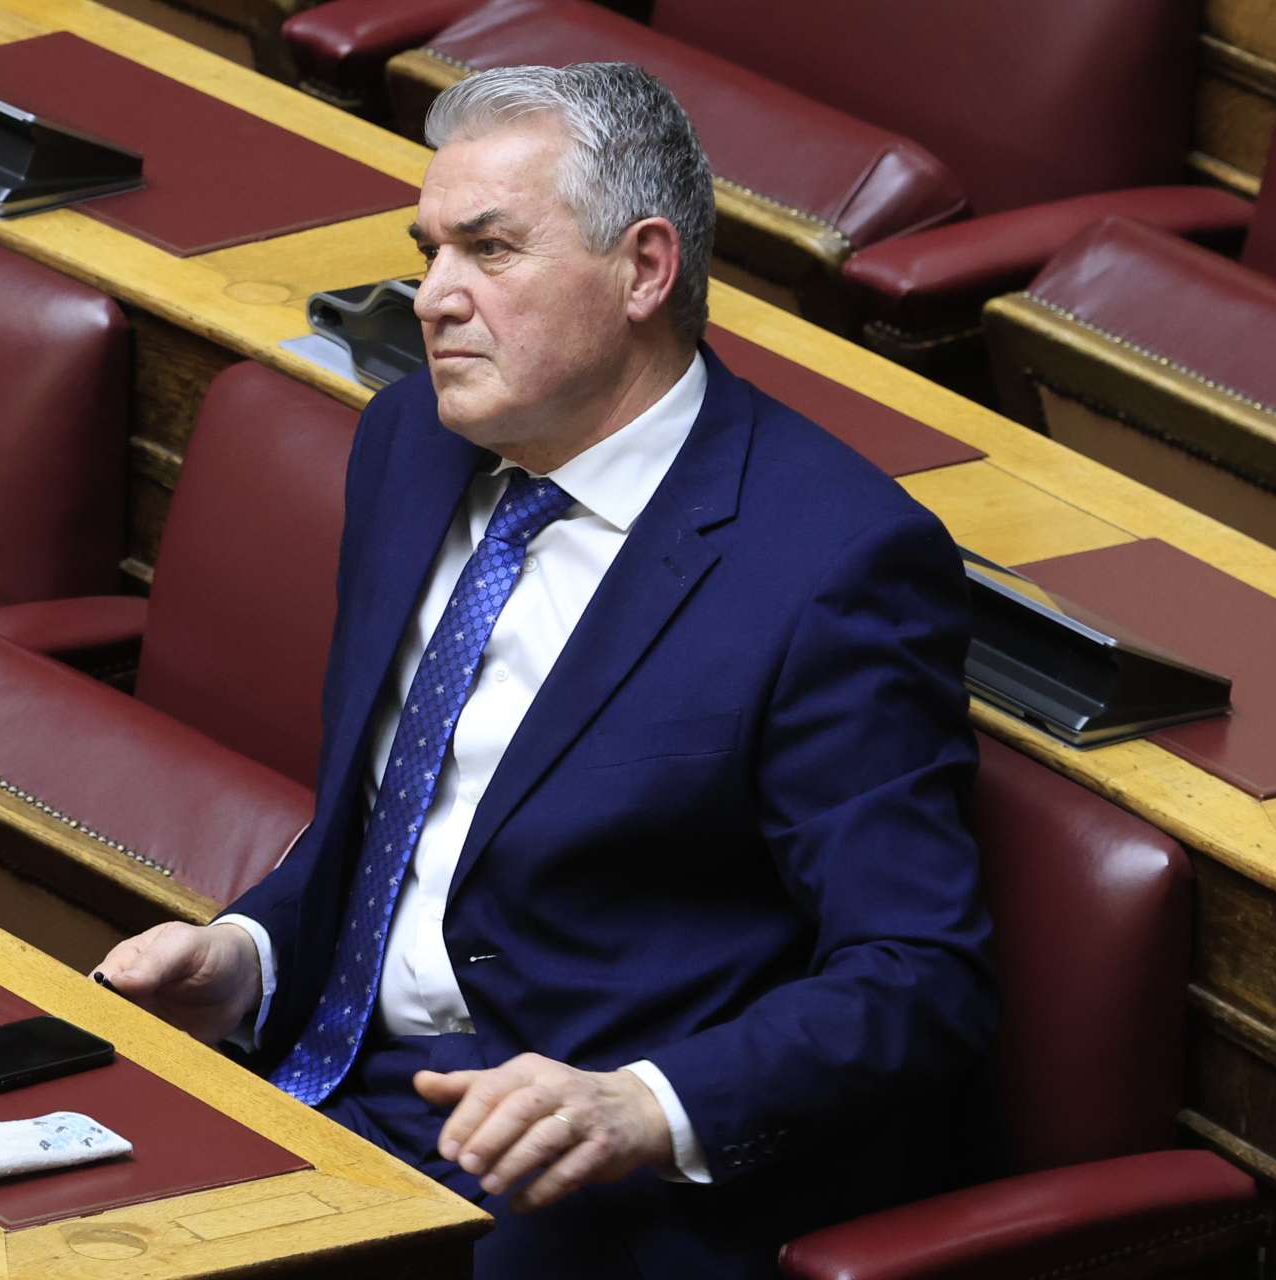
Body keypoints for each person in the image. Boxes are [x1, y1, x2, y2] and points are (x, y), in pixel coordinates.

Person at [96, 62, 996, 1277]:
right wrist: (252, 958)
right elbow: (406, 826)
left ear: (644, 269)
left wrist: (644, 1103)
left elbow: (919, 976)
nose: (433, 297)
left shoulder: (832, 563)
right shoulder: (410, 441)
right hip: (320, 1081)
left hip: (574, 1183)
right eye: (429, 253)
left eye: (489, 250)